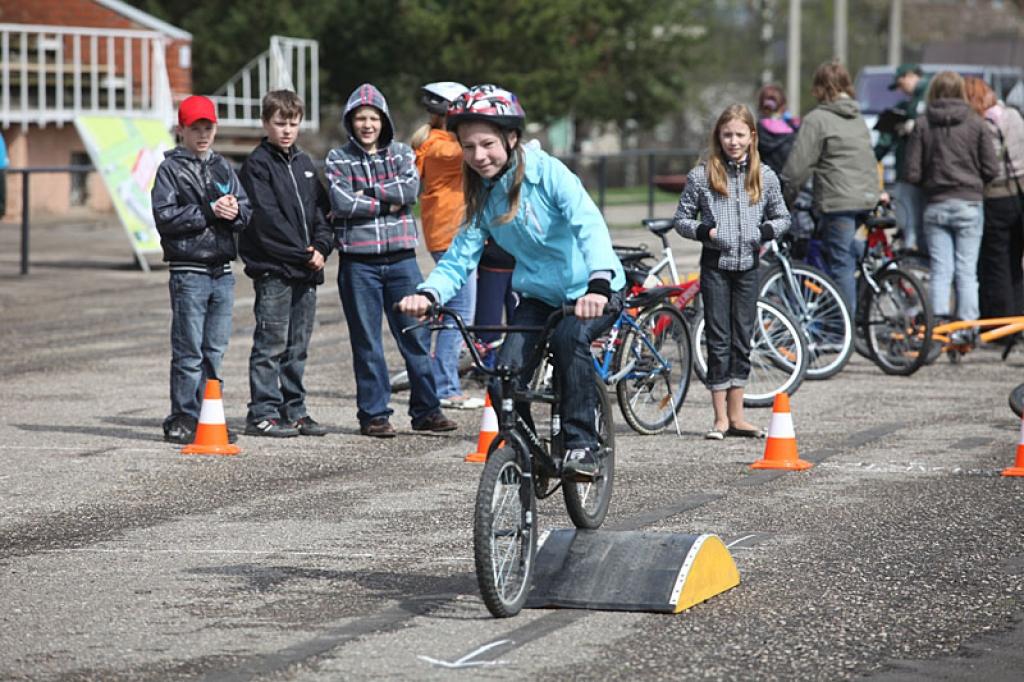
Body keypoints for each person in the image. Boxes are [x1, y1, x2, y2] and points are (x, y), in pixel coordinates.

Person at [398, 84, 625, 478]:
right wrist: (430, 292)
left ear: (512, 137)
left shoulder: (549, 173)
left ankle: (581, 445)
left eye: (487, 144)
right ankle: (525, 450)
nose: (478, 156)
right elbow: (459, 257)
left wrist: (599, 284)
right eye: (468, 147)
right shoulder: (483, 195)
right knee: (503, 374)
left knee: (570, 340)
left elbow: (589, 225)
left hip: (590, 291)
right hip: (538, 297)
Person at [326, 83, 457, 438]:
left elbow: (409, 192)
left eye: (373, 118)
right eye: (360, 118)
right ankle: (374, 414)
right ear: (350, 122)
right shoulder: (338, 159)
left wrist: (364, 193)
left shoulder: (401, 153)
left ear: (384, 121)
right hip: (359, 265)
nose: (367, 125)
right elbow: (341, 203)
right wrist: (387, 202)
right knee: (367, 341)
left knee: (415, 335)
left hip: (401, 262)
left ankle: (427, 410)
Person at [675, 104, 790, 441]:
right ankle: (720, 418)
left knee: (742, 338)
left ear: (752, 137)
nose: (733, 141)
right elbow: (681, 219)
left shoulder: (764, 176)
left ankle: (738, 416)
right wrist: (705, 232)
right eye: (727, 134)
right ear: (718, 137)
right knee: (718, 338)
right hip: (715, 268)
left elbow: (783, 218)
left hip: (749, 267)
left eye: (740, 135)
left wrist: (763, 232)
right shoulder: (702, 175)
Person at [151, 95, 252, 444]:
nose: (203, 134)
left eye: (208, 127)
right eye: (196, 128)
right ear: (182, 130)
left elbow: (246, 210)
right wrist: (210, 210)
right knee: (189, 349)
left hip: (222, 271)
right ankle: (182, 415)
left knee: (214, 350)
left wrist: (235, 211)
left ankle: (209, 414)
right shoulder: (169, 170)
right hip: (188, 271)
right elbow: (165, 217)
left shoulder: (223, 167)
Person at [238, 89, 332, 438]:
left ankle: (295, 409)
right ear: (266, 123)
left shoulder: (305, 164)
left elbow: (322, 213)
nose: (287, 130)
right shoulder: (257, 165)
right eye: (280, 123)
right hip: (275, 271)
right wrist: (304, 254)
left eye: (293, 123)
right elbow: (265, 221)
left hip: (306, 271)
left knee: (297, 346)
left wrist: (322, 247)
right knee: (270, 344)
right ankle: (262, 412)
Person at [782, 59, 880, 316]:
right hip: (867, 197)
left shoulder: (818, 119)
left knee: (841, 264)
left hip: (839, 202)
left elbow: (796, 169)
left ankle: (841, 331)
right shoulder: (858, 117)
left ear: (820, 88)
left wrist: (783, 198)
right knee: (838, 247)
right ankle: (878, 261)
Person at [410, 81, 483, 409]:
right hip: (450, 233)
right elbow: (474, 154)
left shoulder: (438, 142)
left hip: (449, 230)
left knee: (450, 310)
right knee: (461, 313)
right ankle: (446, 387)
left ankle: (435, 376)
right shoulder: (442, 147)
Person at [905, 71, 998, 324]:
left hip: (936, 204)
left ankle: (940, 323)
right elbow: (992, 169)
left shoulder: (923, 123)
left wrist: (931, 179)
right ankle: (967, 327)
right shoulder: (976, 122)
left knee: (941, 269)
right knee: (967, 271)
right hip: (969, 202)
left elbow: (911, 172)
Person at [964, 76, 1024, 321]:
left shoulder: (981, 125)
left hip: (995, 196)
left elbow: (985, 166)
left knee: (995, 261)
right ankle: (1018, 318)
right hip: (1020, 193)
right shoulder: (1014, 116)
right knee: (1015, 261)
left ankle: (1000, 320)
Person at [875, 63, 931, 254]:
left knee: (914, 222)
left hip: (920, 172)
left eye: (901, 84)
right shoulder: (910, 103)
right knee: (913, 222)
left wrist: (912, 125)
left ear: (909, 76)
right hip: (914, 172)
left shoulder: (927, 89)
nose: (901, 90)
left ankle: (913, 253)